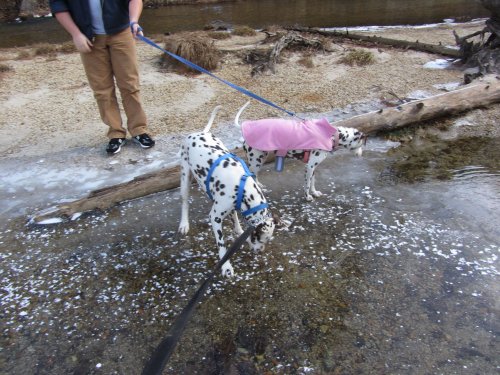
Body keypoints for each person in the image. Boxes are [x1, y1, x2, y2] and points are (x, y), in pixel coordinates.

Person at [49, 0, 155, 154]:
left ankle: (139, 130)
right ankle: (116, 133)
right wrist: (76, 34)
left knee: (130, 85)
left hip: (122, 32)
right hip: (89, 37)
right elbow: (59, 6)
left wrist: (134, 21)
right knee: (102, 90)